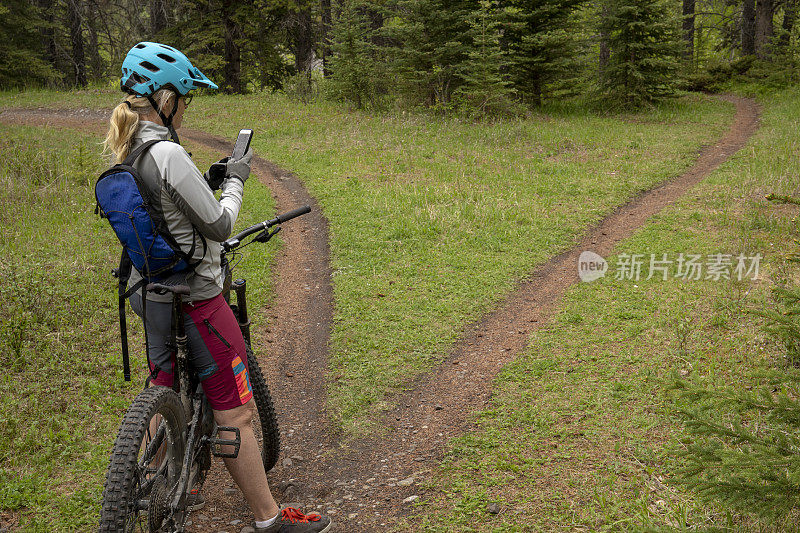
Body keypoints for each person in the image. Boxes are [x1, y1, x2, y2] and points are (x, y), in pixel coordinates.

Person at [102, 42, 332, 533]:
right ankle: (269, 519)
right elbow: (220, 225)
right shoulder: (167, 151)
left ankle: (148, 481)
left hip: (150, 294)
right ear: (165, 100)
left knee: (163, 386)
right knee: (237, 412)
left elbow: (163, 216)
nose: (186, 108)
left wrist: (204, 184)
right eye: (184, 98)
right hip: (198, 298)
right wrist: (236, 180)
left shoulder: (130, 149)